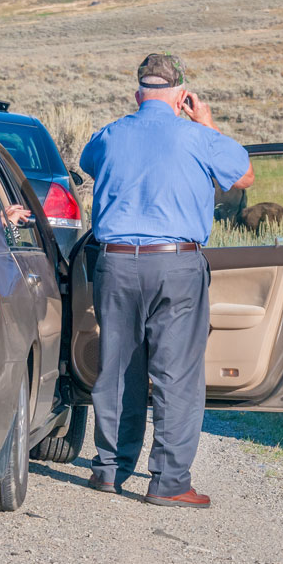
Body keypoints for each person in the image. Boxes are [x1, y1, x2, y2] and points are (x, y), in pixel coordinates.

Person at [78, 53, 254, 508]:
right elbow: (245, 175)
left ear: (138, 94)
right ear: (181, 96)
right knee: (176, 375)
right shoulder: (197, 135)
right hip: (176, 265)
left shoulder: (110, 135)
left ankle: (109, 469)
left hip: (115, 263)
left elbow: (89, 162)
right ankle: (169, 482)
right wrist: (206, 122)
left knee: (117, 366)